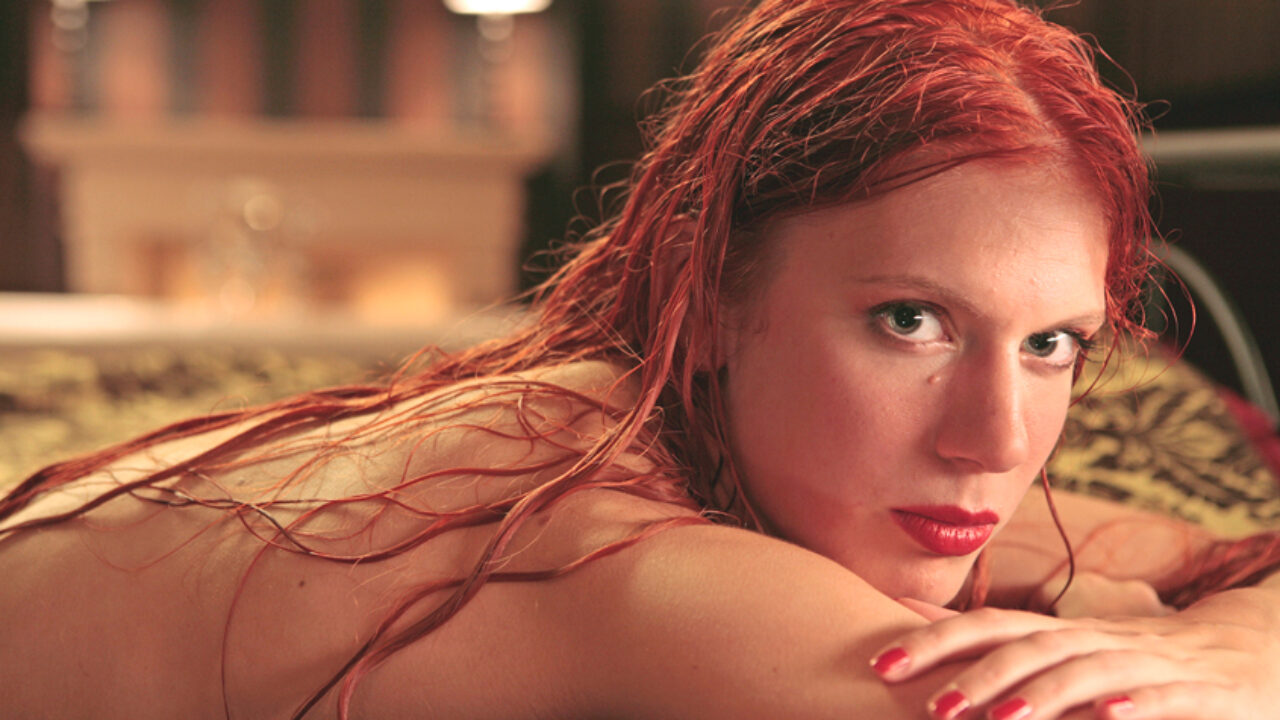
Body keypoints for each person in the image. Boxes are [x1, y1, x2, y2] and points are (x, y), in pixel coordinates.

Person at [2, 0, 1279, 718]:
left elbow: (1243, 558)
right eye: (911, 322)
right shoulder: (623, 556)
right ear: (705, 292)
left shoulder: (777, 457)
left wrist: (1229, 643)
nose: (993, 440)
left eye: (1050, 344)